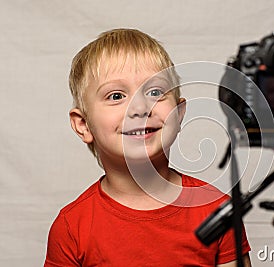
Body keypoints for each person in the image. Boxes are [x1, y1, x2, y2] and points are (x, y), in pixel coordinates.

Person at [44, 28, 251, 267]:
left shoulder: (217, 210)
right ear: (83, 125)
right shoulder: (72, 226)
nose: (140, 107)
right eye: (115, 96)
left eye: (155, 92)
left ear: (179, 113)